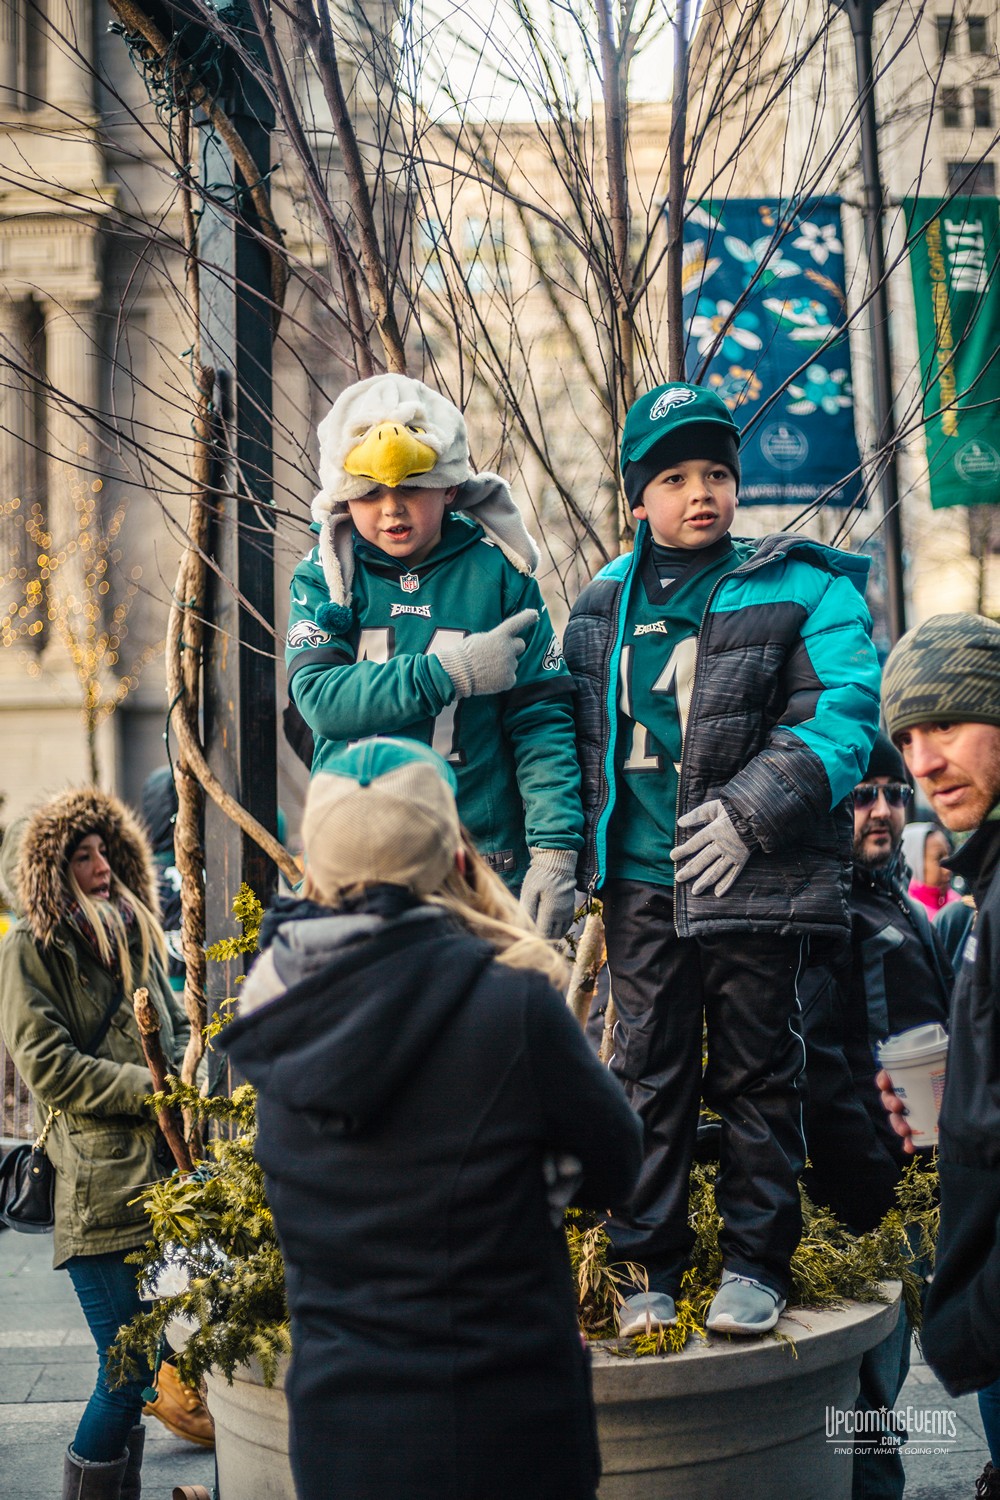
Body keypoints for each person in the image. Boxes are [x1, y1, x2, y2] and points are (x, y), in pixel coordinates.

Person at [218, 737, 642, 1500]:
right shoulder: (513, 1008)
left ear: (313, 873)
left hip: (341, 1439)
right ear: (457, 860)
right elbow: (617, 1164)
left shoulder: (274, 1018)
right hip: (507, 1425)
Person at [563, 380, 880, 1338]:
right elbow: (570, 735)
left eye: (716, 473)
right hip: (640, 880)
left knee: (758, 1071)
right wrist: (560, 852)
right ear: (636, 498)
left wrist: (751, 813)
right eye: (673, 476)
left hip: (754, 871)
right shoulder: (598, 603)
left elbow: (842, 714)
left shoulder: (803, 585)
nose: (699, 492)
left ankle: (756, 1263)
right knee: (646, 1072)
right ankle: (644, 1270)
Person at [285, 373, 583, 940]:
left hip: (477, 864)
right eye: (370, 491)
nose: (391, 509)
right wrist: (453, 672)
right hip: (357, 860)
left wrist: (553, 846)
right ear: (344, 494)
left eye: (412, 487)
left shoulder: (500, 575)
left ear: (450, 486)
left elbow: (541, 723)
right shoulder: (325, 576)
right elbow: (322, 702)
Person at [0, 789, 189, 1500]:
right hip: (93, 1184)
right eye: (81, 856)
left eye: (105, 850)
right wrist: (151, 1086)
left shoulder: (133, 926)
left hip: (157, 1178)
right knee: (126, 1368)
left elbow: (167, 1026)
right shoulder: (28, 950)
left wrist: (187, 1081)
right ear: (49, 870)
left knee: (138, 1368)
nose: (101, 866)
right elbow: (46, 1065)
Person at [800, 731, 951, 1500]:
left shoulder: (895, 900)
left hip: (922, 1186)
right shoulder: (828, 908)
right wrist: (868, 1186)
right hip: (866, 1204)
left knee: (882, 1398)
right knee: (864, 1406)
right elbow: (821, 1061)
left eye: (895, 795)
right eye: (865, 795)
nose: (885, 811)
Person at [878, 612, 1000, 1500]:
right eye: (909, 738)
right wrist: (958, 1096)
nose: (922, 764)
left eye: (947, 725)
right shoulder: (983, 883)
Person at [899, 820, 959, 916]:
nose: (947, 870)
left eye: (948, 855)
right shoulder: (907, 915)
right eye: (938, 858)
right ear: (913, 862)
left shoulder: (959, 905)